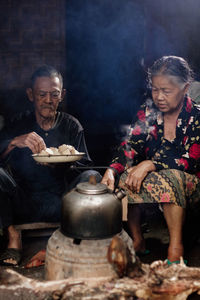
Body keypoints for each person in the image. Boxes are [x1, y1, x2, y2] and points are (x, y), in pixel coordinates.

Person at [102, 56, 200, 264]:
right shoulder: (148, 113)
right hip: (157, 180)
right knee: (124, 176)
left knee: (172, 178)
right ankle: (138, 240)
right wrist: (111, 170)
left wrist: (150, 164)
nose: (159, 97)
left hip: (192, 185)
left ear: (185, 88)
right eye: (155, 90)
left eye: (166, 90)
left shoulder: (197, 117)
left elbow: (190, 161)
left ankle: (175, 248)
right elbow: (130, 146)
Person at [0, 65, 100, 266]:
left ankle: (68, 237)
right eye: (42, 94)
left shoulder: (72, 125)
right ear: (31, 95)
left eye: (54, 95)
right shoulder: (18, 123)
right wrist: (13, 142)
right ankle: (13, 238)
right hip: (22, 202)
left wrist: (60, 164)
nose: (48, 100)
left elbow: (84, 169)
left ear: (62, 95)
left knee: (92, 176)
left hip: (61, 202)